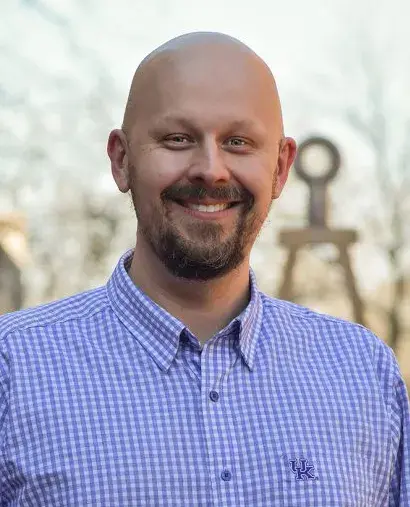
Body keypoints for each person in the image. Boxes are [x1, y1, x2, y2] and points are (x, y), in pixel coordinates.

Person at [0, 32, 408, 506]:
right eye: (178, 139)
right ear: (121, 160)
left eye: (238, 142)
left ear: (280, 168)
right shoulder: (13, 370)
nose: (211, 169)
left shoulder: (363, 374)